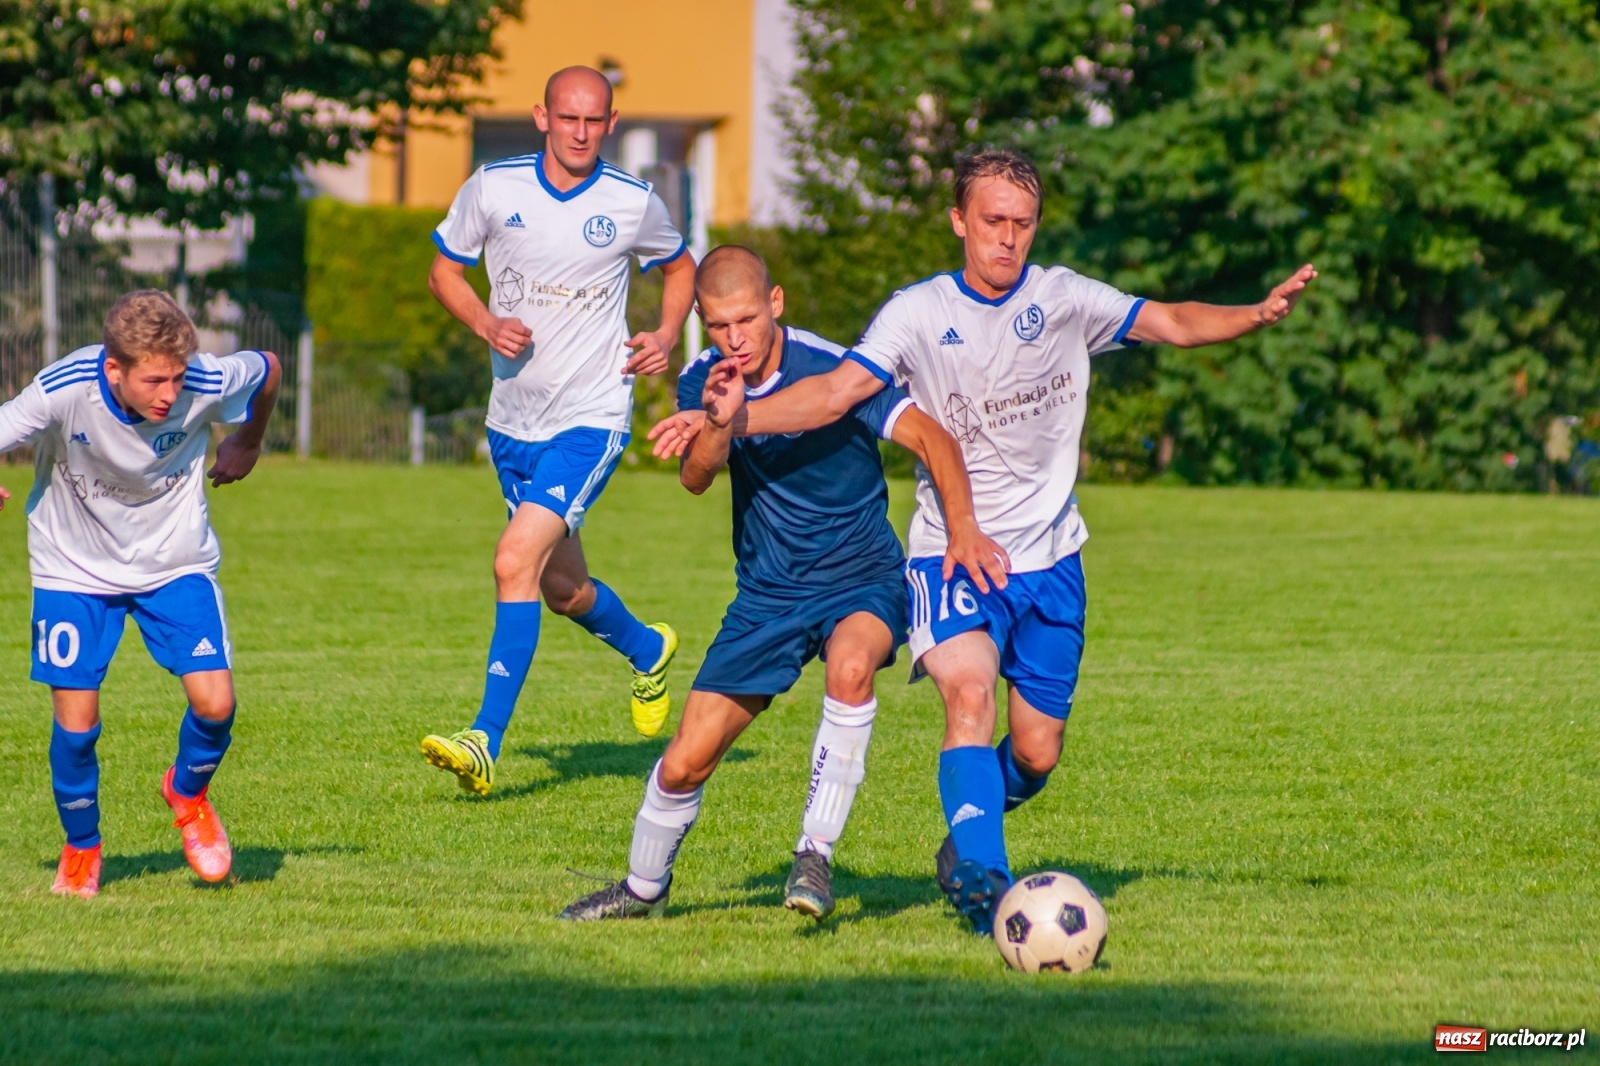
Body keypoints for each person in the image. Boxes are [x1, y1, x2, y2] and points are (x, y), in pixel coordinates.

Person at [649, 149, 1316, 933]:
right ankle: (984, 884)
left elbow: (1169, 320)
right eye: (993, 221)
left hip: (1051, 559)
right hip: (948, 552)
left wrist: (1254, 314)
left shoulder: (1064, 298)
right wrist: (731, 419)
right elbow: (834, 393)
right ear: (960, 220)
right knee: (967, 695)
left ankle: (969, 831)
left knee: (1036, 753)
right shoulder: (918, 313)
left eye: (1023, 224)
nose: (1008, 238)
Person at [558, 246, 1004, 922]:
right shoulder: (706, 378)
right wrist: (717, 418)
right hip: (768, 593)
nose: (733, 338)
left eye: (745, 319)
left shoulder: (841, 367)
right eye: (717, 325)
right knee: (685, 761)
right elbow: (697, 476)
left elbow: (934, 439)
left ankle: (813, 853)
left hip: (861, 575)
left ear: (776, 303)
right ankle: (641, 890)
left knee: (852, 666)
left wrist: (964, 527)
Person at [420, 65, 698, 795]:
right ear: (541, 117)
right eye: (567, 118)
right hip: (513, 422)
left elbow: (680, 267)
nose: (580, 132)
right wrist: (485, 321)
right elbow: (444, 271)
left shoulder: (633, 202)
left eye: (594, 120)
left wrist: (667, 335)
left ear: (610, 123)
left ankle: (484, 738)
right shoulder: (493, 186)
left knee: (514, 559)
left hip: (592, 416)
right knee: (561, 587)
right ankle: (647, 648)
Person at [0, 289, 281, 898]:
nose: (170, 394)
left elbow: (267, 369)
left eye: (178, 379)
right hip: (72, 568)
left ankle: (187, 792)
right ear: (113, 369)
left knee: (216, 705)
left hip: (174, 561)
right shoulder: (64, 387)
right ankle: (82, 849)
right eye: (155, 380)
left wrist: (250, 440)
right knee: (77, 728)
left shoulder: (202, 379)